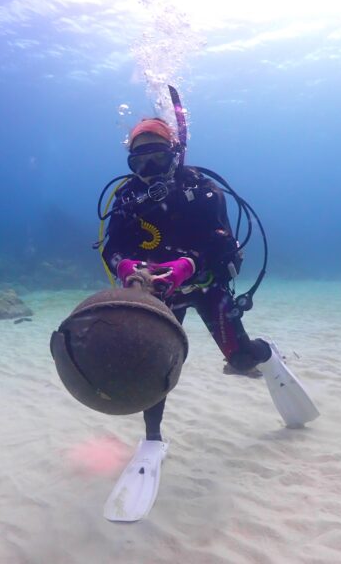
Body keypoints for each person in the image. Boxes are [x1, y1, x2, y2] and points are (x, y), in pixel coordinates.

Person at [100, 117, 274, 442]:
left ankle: (266, 352)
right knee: (155, 367)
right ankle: (152, 440)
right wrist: (125, 267)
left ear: (175, 154)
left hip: (207, 286)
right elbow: (112, 247)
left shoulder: (202, 189)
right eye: (140, 162)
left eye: (158, 158)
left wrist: (187, 265)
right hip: (160, 290)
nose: (149, 169)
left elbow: (223, 242)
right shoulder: (127, 197)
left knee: (241, 360)